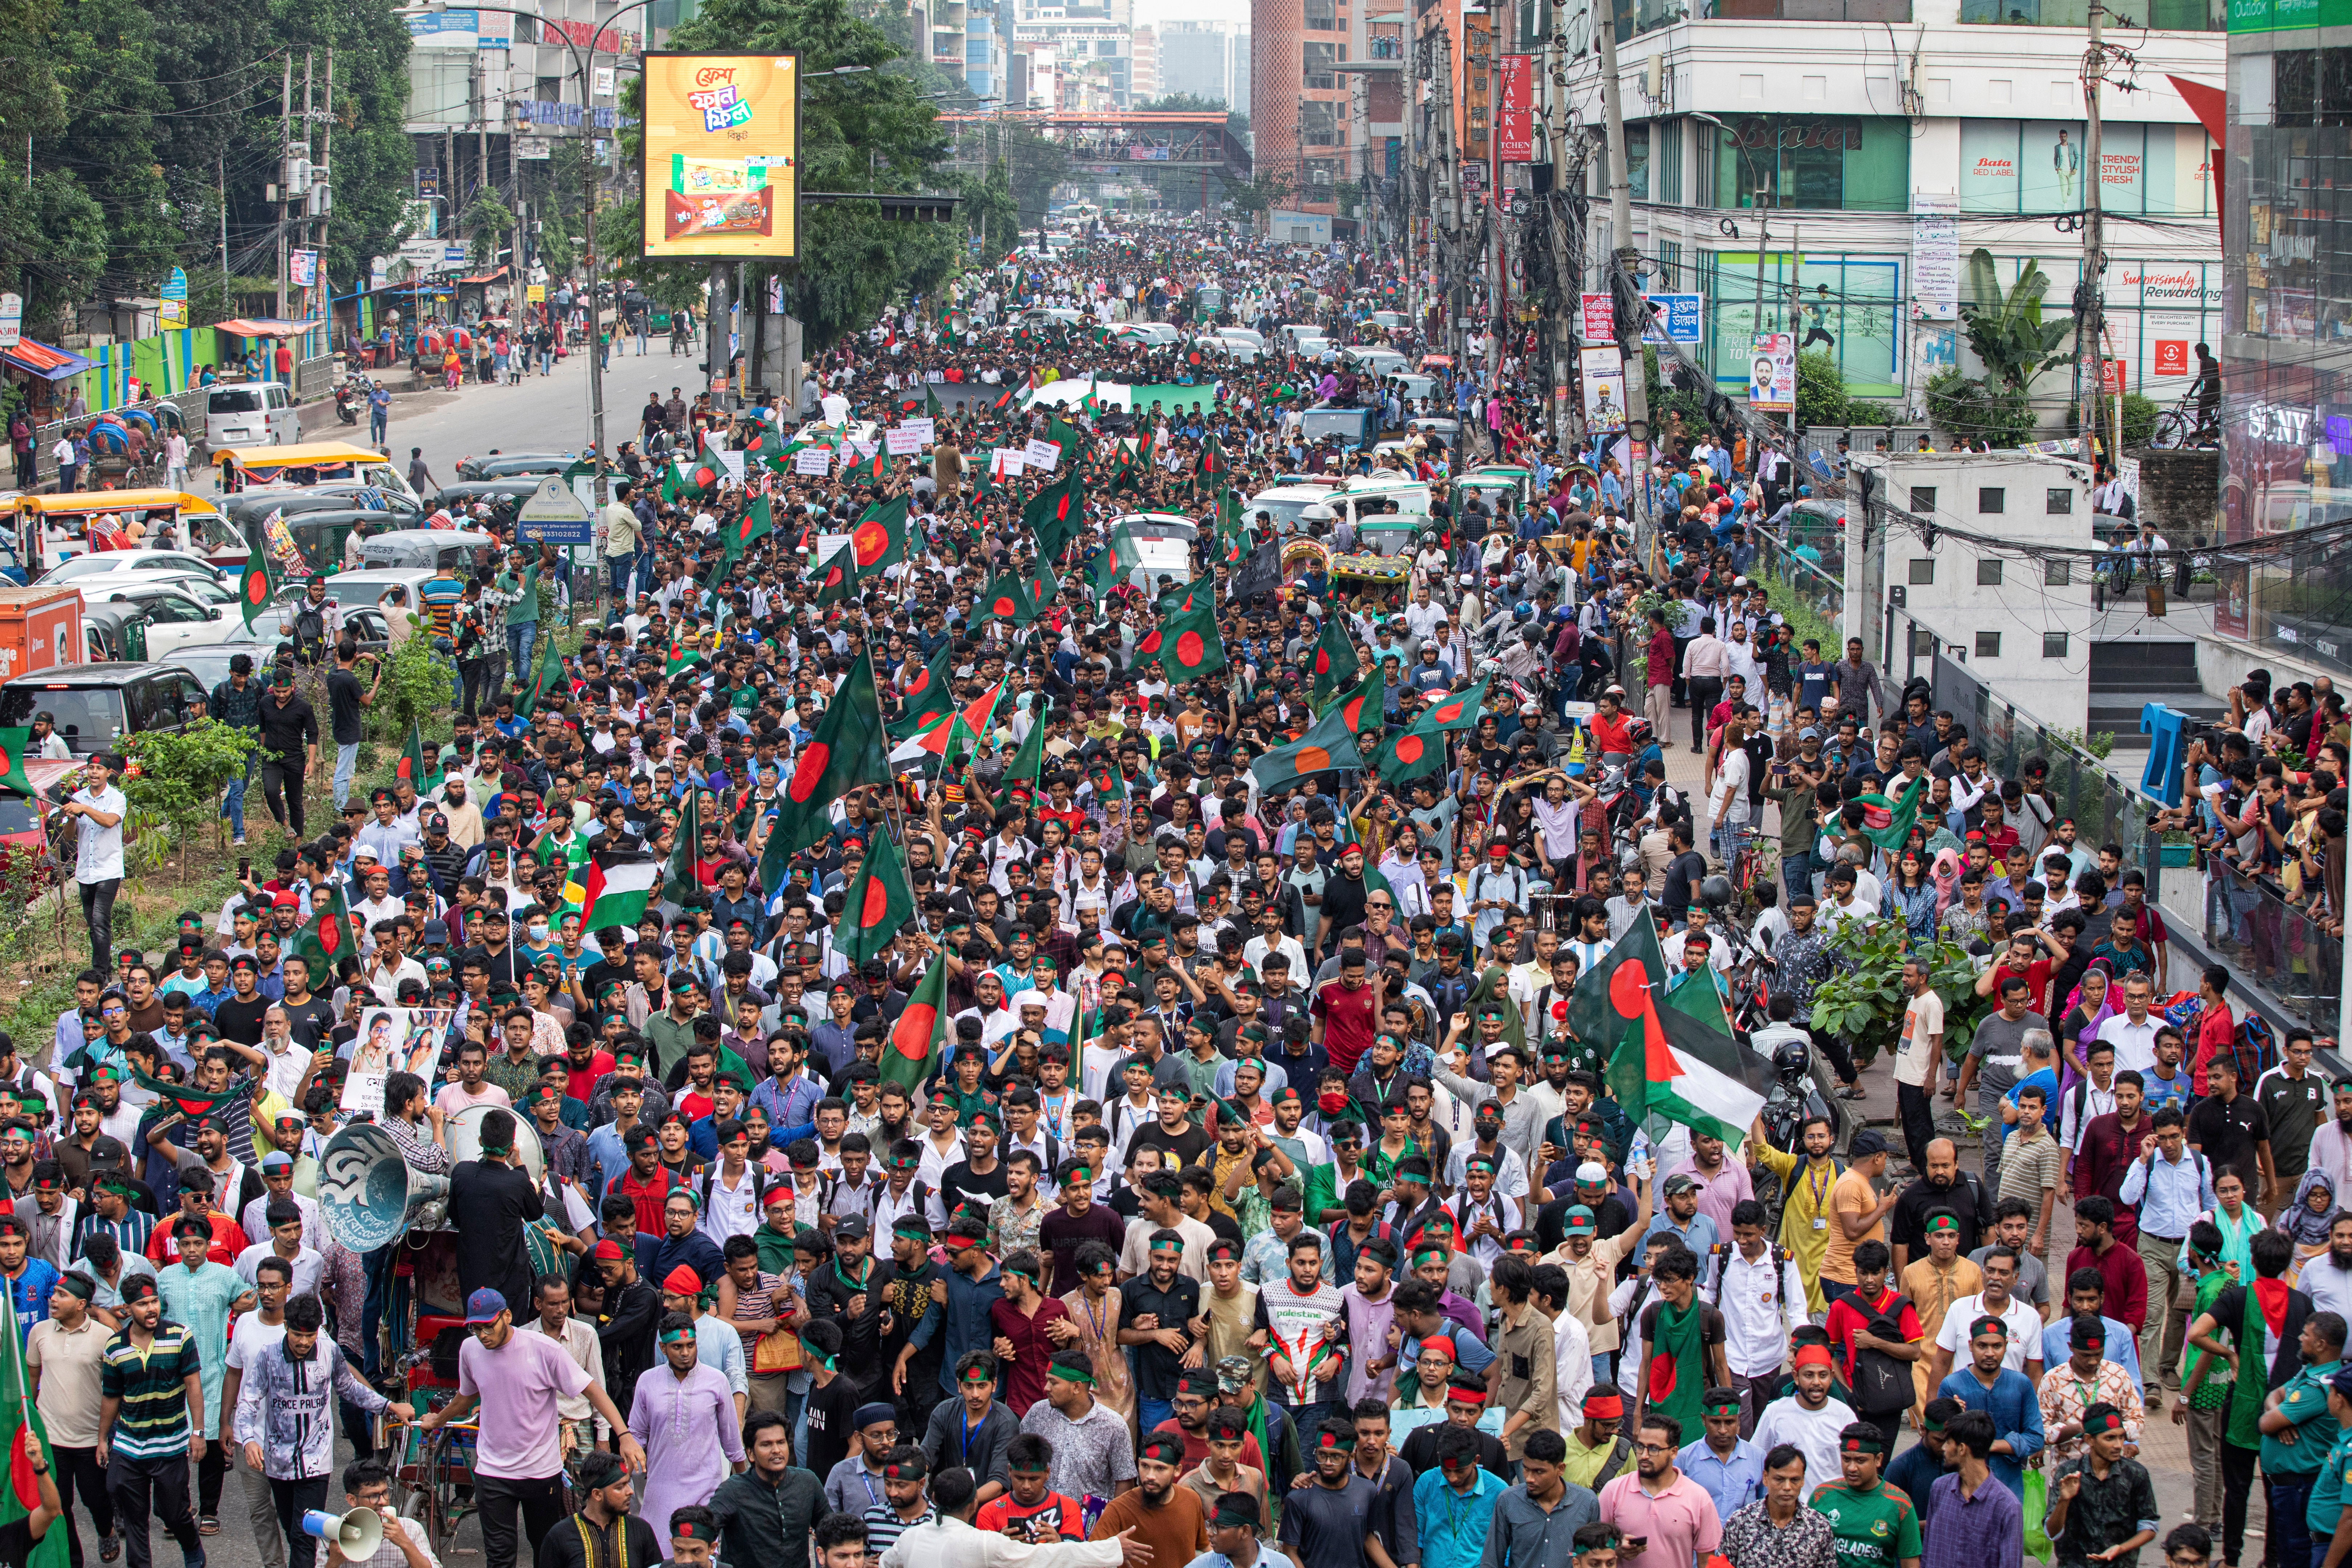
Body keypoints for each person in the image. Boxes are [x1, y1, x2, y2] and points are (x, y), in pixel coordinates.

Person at [418, 1289, 643, 1568]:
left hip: (540, 1472)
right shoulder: (470, 1350)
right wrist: (437, 1420)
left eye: (489, 1326)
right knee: (500, 1557)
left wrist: (624, 1436)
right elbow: (466, 1396)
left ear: (507, 1316)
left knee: (545, 1551)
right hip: (493, 1470)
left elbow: (593, 1390)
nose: (483, 1335)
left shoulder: (545, 1350)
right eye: (477, 1328)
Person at [230, 1295, 410, 1568]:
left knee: (305, 1535)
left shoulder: (330, 1351)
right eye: (297, 1334)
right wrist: (248, 1440)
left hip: (316, 1461)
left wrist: (389, 1406)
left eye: (310, 1335)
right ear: (287, 1328)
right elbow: (248, 1400)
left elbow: (349, 1388)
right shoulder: (268, 1356)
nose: (303, 1342)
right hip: (277, 1461)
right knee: (294, 1532)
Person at [97, 1275, 206, 1568]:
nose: (151, 1308)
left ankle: (192, 1545)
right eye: (142, 1304)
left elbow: (194, 1385)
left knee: (173, 1513)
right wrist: (102, 1439)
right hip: (129, 1445)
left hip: (170, 1446)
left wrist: (198, 1431)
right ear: (128, 1308)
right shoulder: (115, 1347)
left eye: (154, 1301)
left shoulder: (179, 1336)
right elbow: (111, 1397)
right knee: (134, 1519)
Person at [878, 1459, 1144, 1568]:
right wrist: (1112, 1547)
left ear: (934, 1498)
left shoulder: (910, 1538)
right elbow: (1051, 1558)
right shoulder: (982, 1543)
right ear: (974, 1503)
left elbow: (884, 1563)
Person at [627, 1312, 744, 1538]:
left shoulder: (717, 1380)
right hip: (660, 1490)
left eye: (691, 1345)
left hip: (706, 1488)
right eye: (677, 1347)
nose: (685, 1353)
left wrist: (745, 1489)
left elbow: (732, 1442)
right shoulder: (647, 1381)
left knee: (702, 1553)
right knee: (663, 1555)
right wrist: (622, 1480)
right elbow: (637, 1436)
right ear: (663, 1349)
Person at [1595, 1414, 1721, 1568]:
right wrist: (1616, 1550)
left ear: (1674, 1452)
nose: (1644, 1455)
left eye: (1654, 1449)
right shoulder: (1613, 1491)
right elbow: (1594, 1548)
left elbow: (1707, 1562)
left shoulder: (1698, 1498)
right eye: (1640, 1447)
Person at [2043, 1403, 2158, 1568]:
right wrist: (2064, 1500)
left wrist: (2121, 1549)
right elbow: (2051, 1533)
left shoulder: (2136, 1474)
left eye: (2121, 1437)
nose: (2119, 1445)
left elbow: (2149, 1525)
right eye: (2110, 1438)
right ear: (2090, 1440)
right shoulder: (2068, 1473)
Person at [709, 1411, 824, 1568]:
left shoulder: (807, 1482)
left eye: (781, 1442)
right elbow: (703, 1531)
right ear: (750, 1453)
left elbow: (831, 1529)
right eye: (767, 1444)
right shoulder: (732, 1491)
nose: (776, 1450)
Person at [1806, 1424, 1920, 1568]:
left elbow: (1910, 1563)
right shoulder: (1821, 1496)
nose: (1852, 1468)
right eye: (1846, 1459)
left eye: (1861, 1461)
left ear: (1878, 1460)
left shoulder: (1900, 1504)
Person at [1917, 1412, 2022, 1568]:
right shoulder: (1939, 1489)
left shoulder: (2007, 1507)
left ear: (1962, 1449)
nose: (1944, 1448)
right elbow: (1927, 1554)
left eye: (1948, 1442)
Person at [54, 755, 127, 975]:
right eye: (91, 768)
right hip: (86, 870)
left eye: (99, 768)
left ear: (109, 773)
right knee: (92, 923)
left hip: (109, 869)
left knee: (99, 919)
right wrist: (73, 817)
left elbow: (109, 821)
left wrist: (83, 809)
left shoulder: (117, 798)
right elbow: (68, 837)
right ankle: (105, 964)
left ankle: (100, 972)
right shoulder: (77, 797)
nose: (94, 772)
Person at [528, 1450, 659, 1568]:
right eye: (620, 1487)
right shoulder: (559, 1536)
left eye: (628, 1483)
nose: (630, 1492)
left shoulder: (641, 1530)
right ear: (597, 1494)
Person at [1718, 1444, 1836, 1567]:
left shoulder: (1818, 1526)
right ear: (1765, 1478)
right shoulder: (1740, 1522)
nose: (1787, 1487)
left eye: (1795, 1480)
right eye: (1779, 1479)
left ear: (1803, 1481)